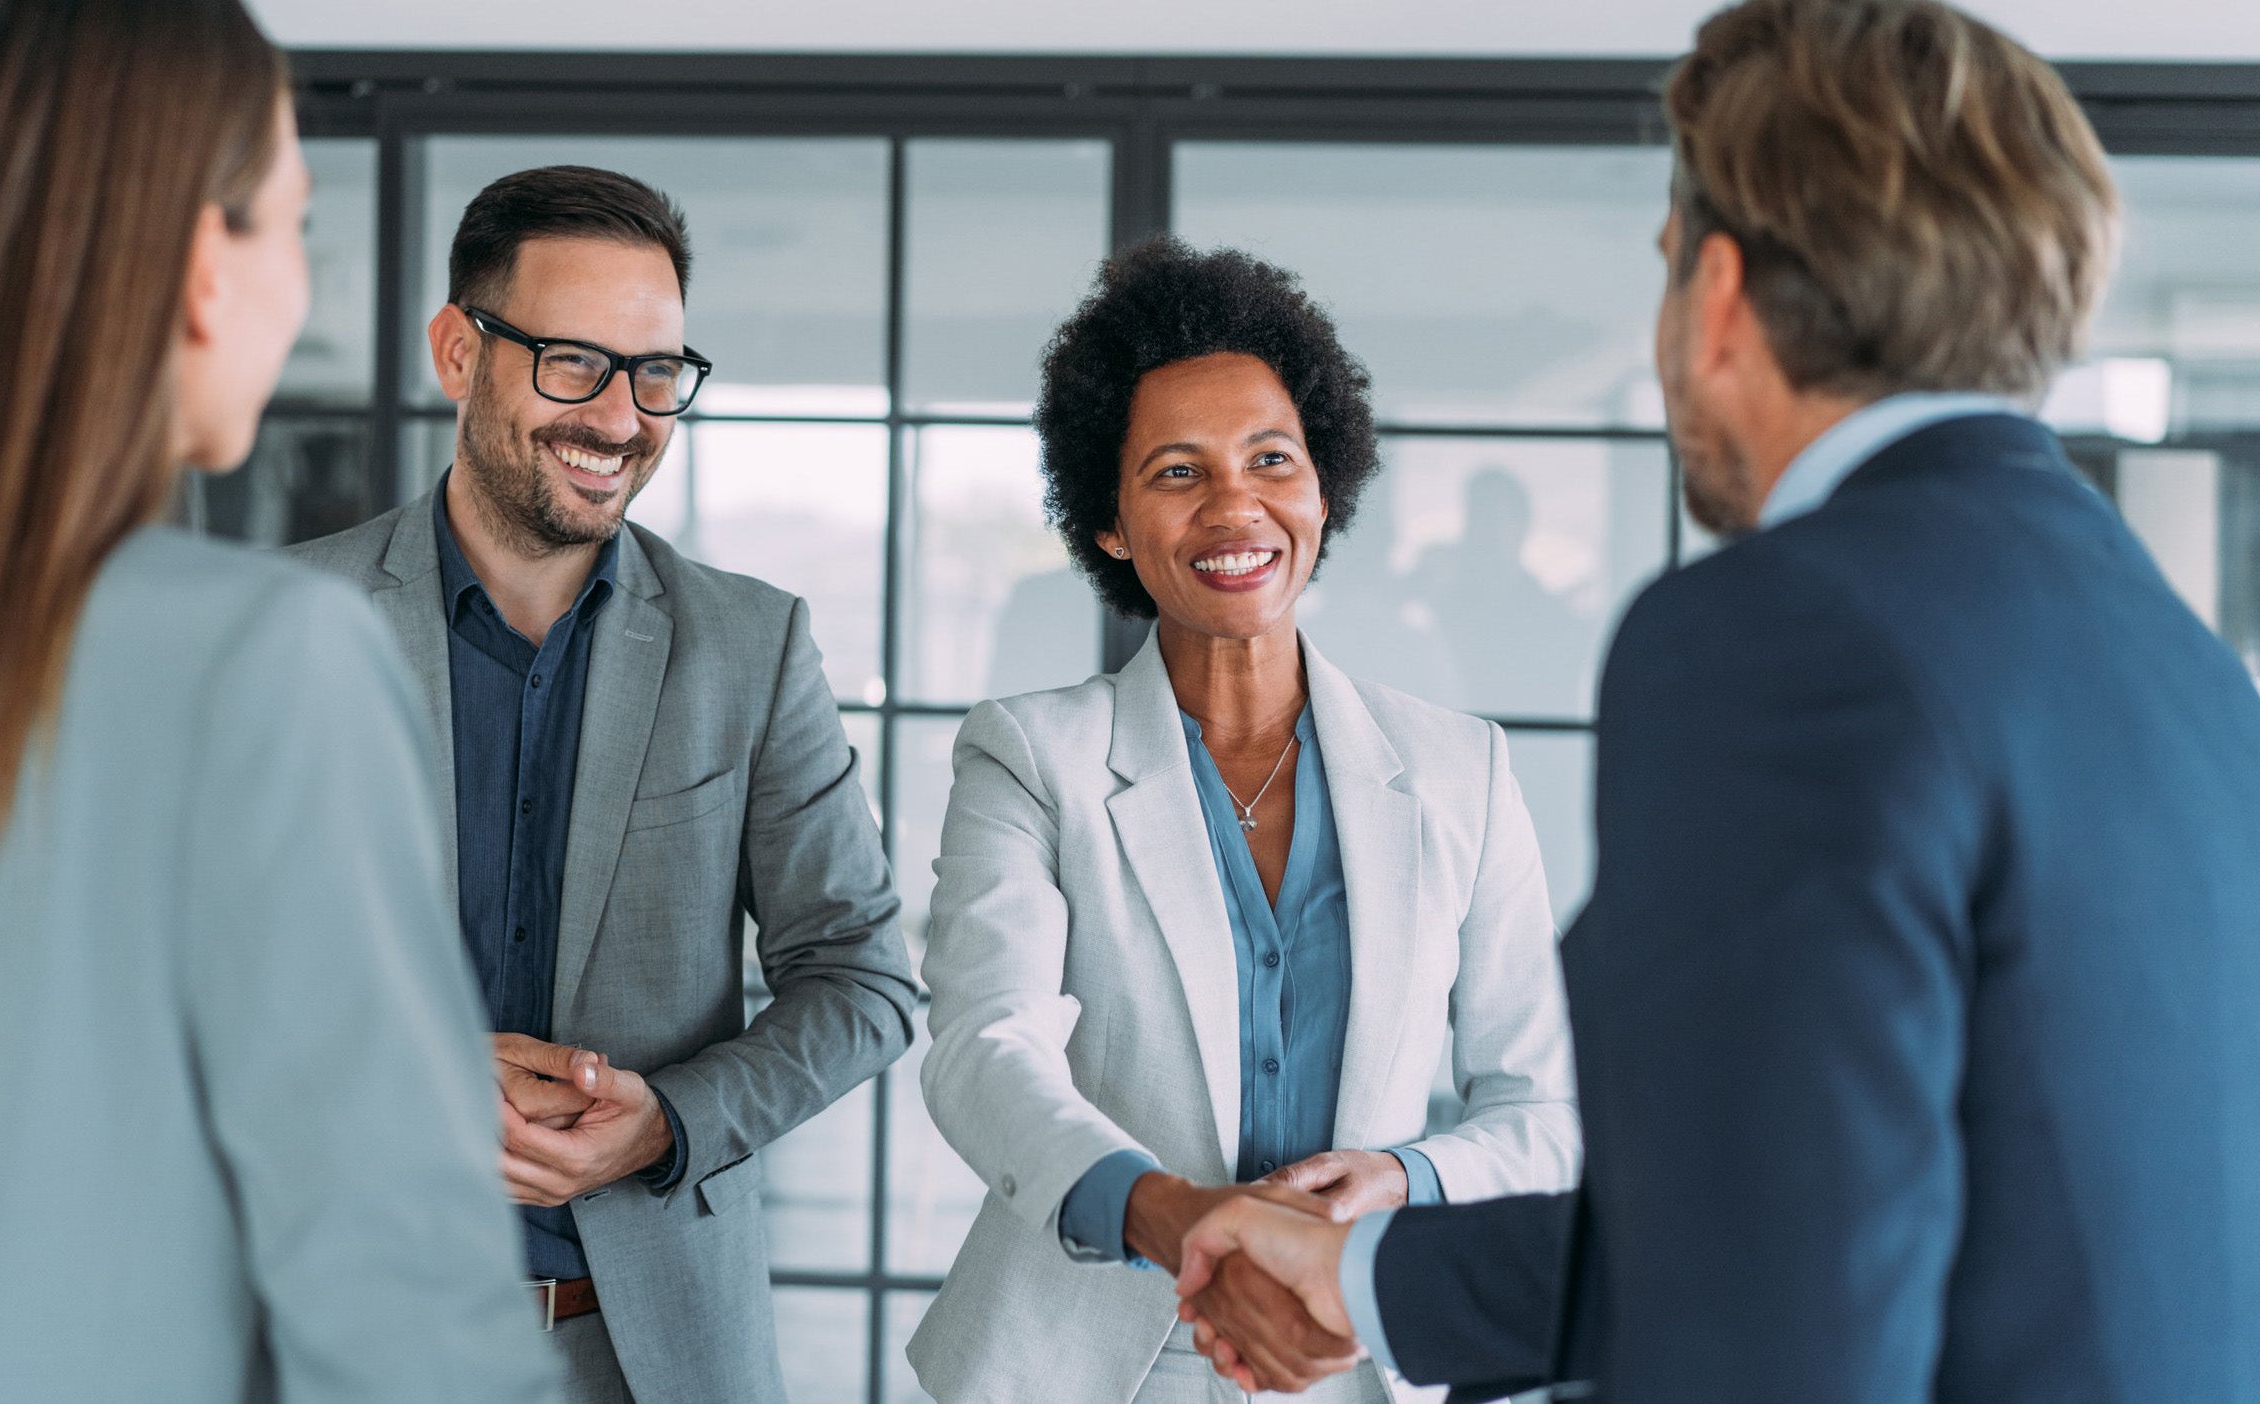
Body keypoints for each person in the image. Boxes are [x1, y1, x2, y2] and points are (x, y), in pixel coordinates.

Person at [1173, 2, 2260, 1401]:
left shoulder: (1783, 636)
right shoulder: (2172, 653)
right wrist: (1375, 1279)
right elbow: (1811, 1213)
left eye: (1668, 268)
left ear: (1726, 295)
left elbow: (1774, 1337)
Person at [0, 2, 562, 1402]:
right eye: (294, 227)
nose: (298, 288)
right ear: (206, 264)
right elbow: (413, 1345)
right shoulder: (260, 665)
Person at [907, 237, 1582, 1404]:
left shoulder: (1462, 770)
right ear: (1110, 522)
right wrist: (1176, 1216)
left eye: (1273, 458)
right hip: (1086, 1361)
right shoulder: (1029, 756)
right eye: (1177, 471)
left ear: (1325, 488)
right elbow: (983, 1054)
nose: (1237, 506)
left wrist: (1401, 1179)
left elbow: (1542, 1108)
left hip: (1350, 1351)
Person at [285, 165, 918, 1404]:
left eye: (658, 372)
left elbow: (867, 981)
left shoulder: (753, 646)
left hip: (649, 1354)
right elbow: (177, 967)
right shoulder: (283, 621)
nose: (623, 417)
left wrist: (668, 1122)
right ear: (459, 351)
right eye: (575, 361)